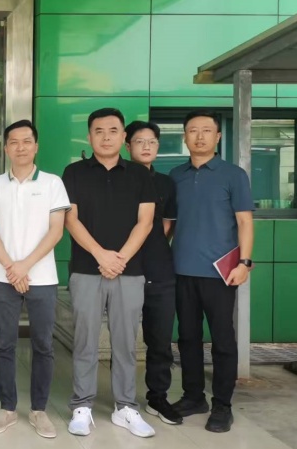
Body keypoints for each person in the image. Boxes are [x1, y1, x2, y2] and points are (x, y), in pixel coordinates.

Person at [61, 108, 156, 438]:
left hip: (129, 272)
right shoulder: (74, 172)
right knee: (85, 339)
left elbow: (145, 222)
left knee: (126, 342)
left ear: (123, 137)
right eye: (98, 131)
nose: (105, 137)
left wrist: (120, 259)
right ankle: (81, 405)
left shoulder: (140, 174)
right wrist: (101, 255)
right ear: (89, 137)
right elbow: (71, 220)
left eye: (113, 130)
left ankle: (125, 406)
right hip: (87, 269)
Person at [0, 120, 69, 438]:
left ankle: (39, 410)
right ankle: (7, 408)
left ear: (36, 146)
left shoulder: (53, 183)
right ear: (6, 148)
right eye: (14, 142)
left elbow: (56, 231)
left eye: (26, 141)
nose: (20, 147)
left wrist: (25, 267)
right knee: (4, 344)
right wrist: (11, 267)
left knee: (43, 345)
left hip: (42, 278)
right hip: (3, 278)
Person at [169, 110, 254, 433]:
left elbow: (245, 222)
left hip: (221, 273)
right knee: (187, 338)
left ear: (218, 136)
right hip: (182, 271)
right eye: (193, 130)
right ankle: (194, 397)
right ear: (185, 137)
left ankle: (222, 405)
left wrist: (245, 263)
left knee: (222, 341)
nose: (200, 136)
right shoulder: (175, 175)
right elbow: (169, 224)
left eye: (207, 130)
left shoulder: (234, 175)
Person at [124, 121, 182, 425]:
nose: (146, 146)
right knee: (123, 340)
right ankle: (122, 399)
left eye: (152, 142)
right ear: (127, 145)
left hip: (160, 269)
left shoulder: (166, 183)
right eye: (139, 141)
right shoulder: (118, 178)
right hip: (125, 268)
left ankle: (157, 398)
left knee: (160, 340)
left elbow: (166, 226)